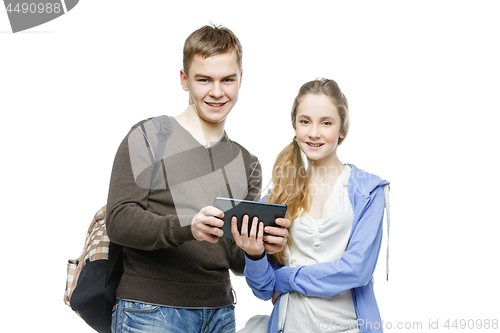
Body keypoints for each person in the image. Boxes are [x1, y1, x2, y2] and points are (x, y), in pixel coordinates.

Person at [105, 24, 290, 333]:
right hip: (151, 313)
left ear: (240, 80)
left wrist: (260, 248)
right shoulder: (149, 137)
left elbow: (234, 257)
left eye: (227, 80)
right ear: (184, 80)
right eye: (204, 79)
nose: (217, 92)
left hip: (220, 313)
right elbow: (120, 221)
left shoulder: (247, 163)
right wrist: (189, 226)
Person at [233, 78, 390, 333]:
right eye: (305, 121)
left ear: (342, 129)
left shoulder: (369, 192)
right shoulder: (278, 198)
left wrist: (287, 278)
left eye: (326, 123)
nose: (314, 132)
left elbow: (356, 270)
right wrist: (254, 254)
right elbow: (263, 289)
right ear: (295, 126)